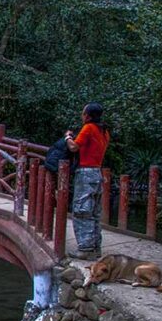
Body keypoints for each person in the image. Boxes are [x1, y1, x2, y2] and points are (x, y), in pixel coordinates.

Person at [64, 103, 110, 260]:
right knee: (94, 212)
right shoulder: (104, 132)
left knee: (82, 210)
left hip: (85, 172)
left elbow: (74, 147)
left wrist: (68, 137)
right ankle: (95, 247)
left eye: (83, 113)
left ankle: (85, 248)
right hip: (97, 172)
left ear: (88, 116)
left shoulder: (89, 128)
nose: (81, 116)